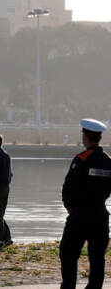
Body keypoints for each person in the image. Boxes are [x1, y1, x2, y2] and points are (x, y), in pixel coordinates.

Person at [59, 118, 111, 289]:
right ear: (100, 138)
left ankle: (69, 286)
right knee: (97, 257)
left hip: (80, 214)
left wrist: (69, 207)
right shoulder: (108, 161)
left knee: (68, 253)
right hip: (100, 214)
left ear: (85, 137)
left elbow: (69, 186)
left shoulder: (81, 159)